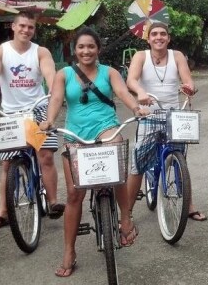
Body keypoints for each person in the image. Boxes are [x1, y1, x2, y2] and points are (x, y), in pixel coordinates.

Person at [39, 27, 146, 278]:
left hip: (105, 127)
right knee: (74, 194)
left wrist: (136, 108)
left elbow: (123, 93)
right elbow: (55, 100)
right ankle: (69, 251)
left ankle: (125, 219)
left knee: (116, 159)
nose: (86, 51)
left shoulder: (109, 72)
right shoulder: (63, 74)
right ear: (74, 50)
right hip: (75, 132)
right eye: (81, 47)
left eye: (91, 46)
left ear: (98, 49)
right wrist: (50, 120)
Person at [0, 11, 64, 229]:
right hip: (10, 113)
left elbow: (50, 74)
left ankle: (53, 201)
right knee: (7, 163)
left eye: (30, 27)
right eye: (22, 26)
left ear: (34, 30)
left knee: (45, 156)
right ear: (13, 27)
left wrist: (55, 93)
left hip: (37, 108)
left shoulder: (40, 52)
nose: (26, 30)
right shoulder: (0, 51)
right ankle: (4, 210)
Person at [126, 21, 207, 222]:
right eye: (154, 34)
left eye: (163, 34)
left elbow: (188, 80)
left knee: (180, 159)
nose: (159, 37)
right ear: (148, 38)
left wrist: (189, 88)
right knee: (139, 164)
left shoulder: (177, 56)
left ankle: (188, 204)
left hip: (173, 115)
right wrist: (140, 92)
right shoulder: (140, 56)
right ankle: (125, 213)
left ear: (168, 38)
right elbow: (131, 80)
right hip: (148, 115)